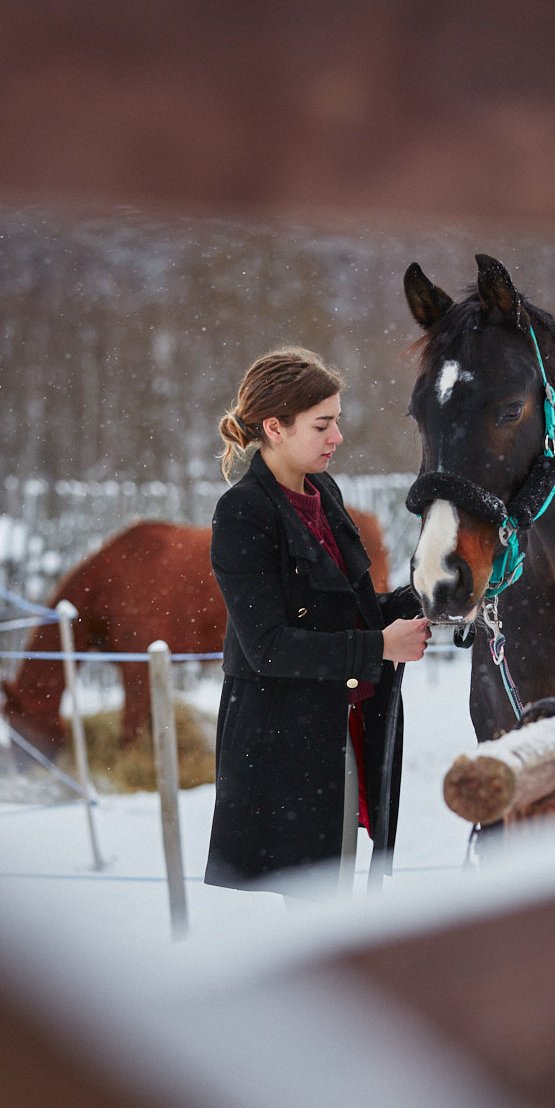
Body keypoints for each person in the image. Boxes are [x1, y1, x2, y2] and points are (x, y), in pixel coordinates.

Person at [204, 346, 429, 896]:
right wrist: (377, 647)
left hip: (339, 723)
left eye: (337, 421)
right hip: (281, 740)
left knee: (341, 885)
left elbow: (348, 605)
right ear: (274, 427)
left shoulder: (323, 490)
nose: (337, 437)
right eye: (322, 424)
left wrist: (430, 595)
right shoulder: (242, 512)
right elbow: (270, 648)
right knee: (310, 903)